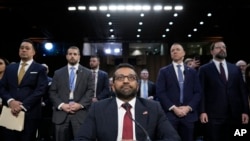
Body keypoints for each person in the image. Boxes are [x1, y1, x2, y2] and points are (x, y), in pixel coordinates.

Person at [75, 63, 181, 141]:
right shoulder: (97, 109)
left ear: (138, 86)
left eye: (131, 78)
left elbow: (173, 138)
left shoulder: (154, 108)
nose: (126, 81)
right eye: (120, 78)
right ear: (112, 87)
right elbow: (82, 138)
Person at [198, 41, 250, 141]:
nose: (222, 49)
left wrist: (245, 111)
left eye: (224, 47)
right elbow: (201, 92)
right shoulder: (204, 69)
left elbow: (242, 91)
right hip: (213, 116)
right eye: (218, 47)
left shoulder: (235, 68)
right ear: (211, 51)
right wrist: (202, 111)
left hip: (235, 115)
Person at [0, 39, 48, 141]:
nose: (24, 50)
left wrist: (22, 105)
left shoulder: (40, 68)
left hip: (30, 113)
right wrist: (11, 101)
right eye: (21, 48)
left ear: (33, 52)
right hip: (10, 112)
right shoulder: (10, 68)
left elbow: (40, 90)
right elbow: (2, 87)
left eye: (27, 48)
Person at [156, 43, 201, 141]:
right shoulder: (163, 71)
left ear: (184, 53)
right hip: (170, 115)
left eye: (177, 49)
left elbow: (198, 92)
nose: (175, 51)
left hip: (188, 115)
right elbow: (160, 92)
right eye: (172, 50)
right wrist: (174, 108)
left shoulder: (192, 72)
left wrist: (188, 108)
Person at [49, 46, 94, 141]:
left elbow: (90, 91)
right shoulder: (58, 73)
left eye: (75, 54)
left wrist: (80, 105)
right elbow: (52, 92)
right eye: (70, 54)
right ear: (66, 56)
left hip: (80, 114)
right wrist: (61, 105)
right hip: (61, 113)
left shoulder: (88, 73)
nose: (72, 56)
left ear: (79, 57)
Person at [37, 63, 53, 141]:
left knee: (47, 128)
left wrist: (44, 103)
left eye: (45, 69)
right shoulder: (33, 80)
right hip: (35, 107)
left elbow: (52, 95)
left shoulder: (51, 81)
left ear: (48, 70)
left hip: (47, 109)